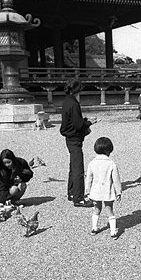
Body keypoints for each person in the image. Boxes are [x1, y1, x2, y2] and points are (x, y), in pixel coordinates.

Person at [59, 79, 97, 207]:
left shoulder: (66, 101)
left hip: (69, 138)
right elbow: (78, 124)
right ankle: (79, 198)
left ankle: (71, 192)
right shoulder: (74, 104)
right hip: (74, 138)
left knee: (73, 166)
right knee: (78, 169)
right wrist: (89, 122)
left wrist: (84, 121)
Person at [85, 136, 122, 238]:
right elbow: (116, 180)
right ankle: (113, 231)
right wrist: (118, 191)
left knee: (96, 209)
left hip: (95, 191)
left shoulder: (92, 163)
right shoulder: (111, 164)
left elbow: (89, 178)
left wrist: (87, 191)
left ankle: (94, 227)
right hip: (107, 191)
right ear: (108, 150)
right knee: (109, 209)